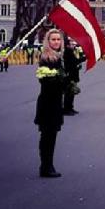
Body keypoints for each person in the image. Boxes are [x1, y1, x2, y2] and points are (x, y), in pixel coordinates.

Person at [34, 29, 66, 178]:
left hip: (55, 101)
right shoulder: (46, 58)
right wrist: (62, 81)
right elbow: (45, 79)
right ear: (48, 41)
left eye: (58, 39)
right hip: (48, 102)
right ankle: (46, 166)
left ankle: (47, 165)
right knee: (48, 136)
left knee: (51, 135)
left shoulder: (58, 57)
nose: (56, 42)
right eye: (53, 39)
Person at [63, 39, 86, 115]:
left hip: (73, 75)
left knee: (72, 93)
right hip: (70, 76)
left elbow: (75, 62)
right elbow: (74, 62)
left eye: (73, 44)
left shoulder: (71, 52)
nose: (73, 45)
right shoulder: (67, 53)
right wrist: (84, 58)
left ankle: (70, 108)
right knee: (69, 93)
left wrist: (78, 66)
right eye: (71, 44)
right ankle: (66, 109)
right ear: (67, 46)